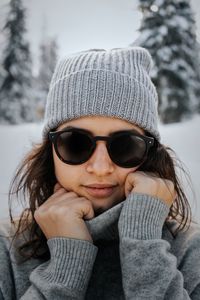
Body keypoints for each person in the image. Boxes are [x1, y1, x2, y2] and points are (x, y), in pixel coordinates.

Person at [0, 47, 200, 300]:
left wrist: (144, 243)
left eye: (125, 145)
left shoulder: (190, 251)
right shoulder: (7, 249)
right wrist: (65, 267)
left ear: (151, 152)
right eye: (75, 143)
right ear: (50, 149)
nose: (101, 167)